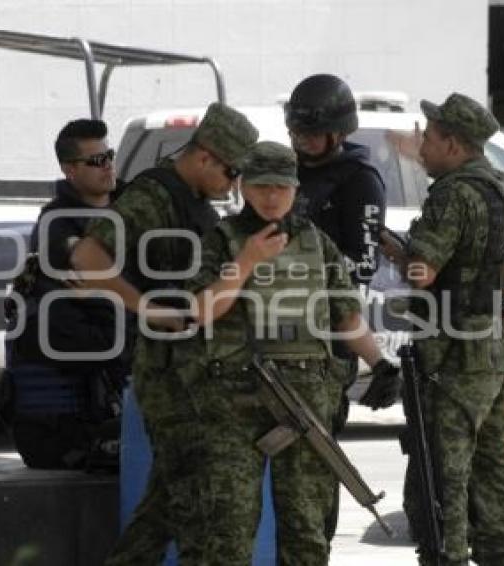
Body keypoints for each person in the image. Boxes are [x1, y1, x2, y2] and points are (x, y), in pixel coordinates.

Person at [165, 140, 401, 564]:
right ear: (242, 187)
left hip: (305, 396)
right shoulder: (221, 239)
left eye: (281, 187)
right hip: (235, 398)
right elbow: (201, 311)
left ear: (295, 189)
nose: (271, 197)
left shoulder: (317, 243)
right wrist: (248, 260)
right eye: (261, 187)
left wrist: (380, 363)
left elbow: (345, 316)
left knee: (307, 531)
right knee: (228, 530)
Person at [69, 102, 259, 565]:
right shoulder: (152, 197)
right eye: (231, 172)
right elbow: (87, 258)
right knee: (195, 503)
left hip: (194, 371)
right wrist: (146, 307)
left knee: (167, 506)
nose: (232, 185)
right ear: (204, 157)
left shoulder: (191, 200)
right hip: (171, 375)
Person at [379, 93, 504, 565]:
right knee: (497, 462)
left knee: (447, 467)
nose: (422, 145)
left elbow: (423, 271)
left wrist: (398, 254)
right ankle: (503, 553)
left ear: (454, 143)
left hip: (452, 347)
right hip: (494, 344)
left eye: (430, 135)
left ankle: (449, 554)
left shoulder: (452, 193)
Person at [284, 73, 389, 539]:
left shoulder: (358, 181)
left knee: (313, 464)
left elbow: (361, 266)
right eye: (296, 132)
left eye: (310, 133)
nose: (301, 141)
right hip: (272, 335)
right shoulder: (282, 172)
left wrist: (294, 264)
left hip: (324, 343)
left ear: (338, 131)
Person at [1, 118, 128, 470]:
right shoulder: (58, 222)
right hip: (70, 425)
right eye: (96, 161)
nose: (108, 167)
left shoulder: (131, 205)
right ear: (70, 170)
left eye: (110, 156)